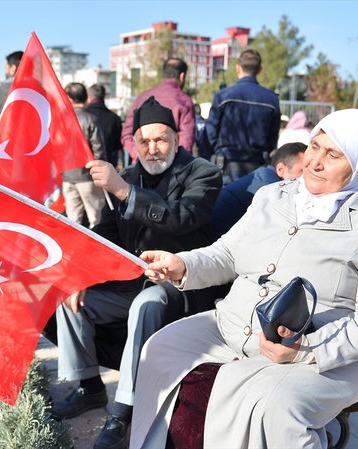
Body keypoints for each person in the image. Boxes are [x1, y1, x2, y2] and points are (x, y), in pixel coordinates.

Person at [131, 108, 358, 449]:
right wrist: (183, 265)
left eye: (334, 154)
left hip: (323, 352)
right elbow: (227, 254)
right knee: (159, 350)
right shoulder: (273, 196)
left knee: (272, 407)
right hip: (233, 325)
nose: (315, 162)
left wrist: (306, 348)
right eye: (314, 147)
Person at [51, 96, 223, 449]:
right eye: (144, 141)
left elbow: (181, 218)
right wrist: (79, 271)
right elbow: (109, 231)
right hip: (129, 283)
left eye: (161, 139)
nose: (153, 148)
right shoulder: (128, 175)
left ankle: (122, 412)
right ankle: (89, 386)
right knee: (67, 296)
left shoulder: (203, 173)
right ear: (135, 144)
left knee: (147, 303)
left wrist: (125, 191)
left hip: (181, 284)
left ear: (177, 141)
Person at [201, 49, 281, 184]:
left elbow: (210, 132)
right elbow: (273, 137)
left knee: (224, 204)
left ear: (238, 68)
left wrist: (217, 151)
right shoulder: (272, 99)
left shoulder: (223, 96)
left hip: (225, 164)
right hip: (257, 165)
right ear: (260, 69)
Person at [212, 142, 306, 239]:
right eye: (302, 171)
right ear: (281, 169)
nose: (307, 176)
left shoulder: (265, 175)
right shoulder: (269, 186)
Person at [121, 58, 195, 162]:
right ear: (182, 76)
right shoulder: (184, 101)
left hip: (142, 170)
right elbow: (186, 139)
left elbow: (126, 133)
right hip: (171, 170)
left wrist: (139, 154)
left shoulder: (142, 98)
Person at [62, 82, 107, 228]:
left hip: (68, 176)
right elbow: (99, 151)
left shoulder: (62, 120)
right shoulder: (91, 119)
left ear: (69, 98)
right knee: (96, 219)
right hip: (88, 176)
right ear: (86, 98)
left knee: (72, 221)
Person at [86, 83, 123, 167]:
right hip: (108, 167)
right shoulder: (115, 118)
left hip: (85, 167)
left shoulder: (83, 117)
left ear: (89, 97)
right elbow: (117, 146)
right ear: (103, 96)